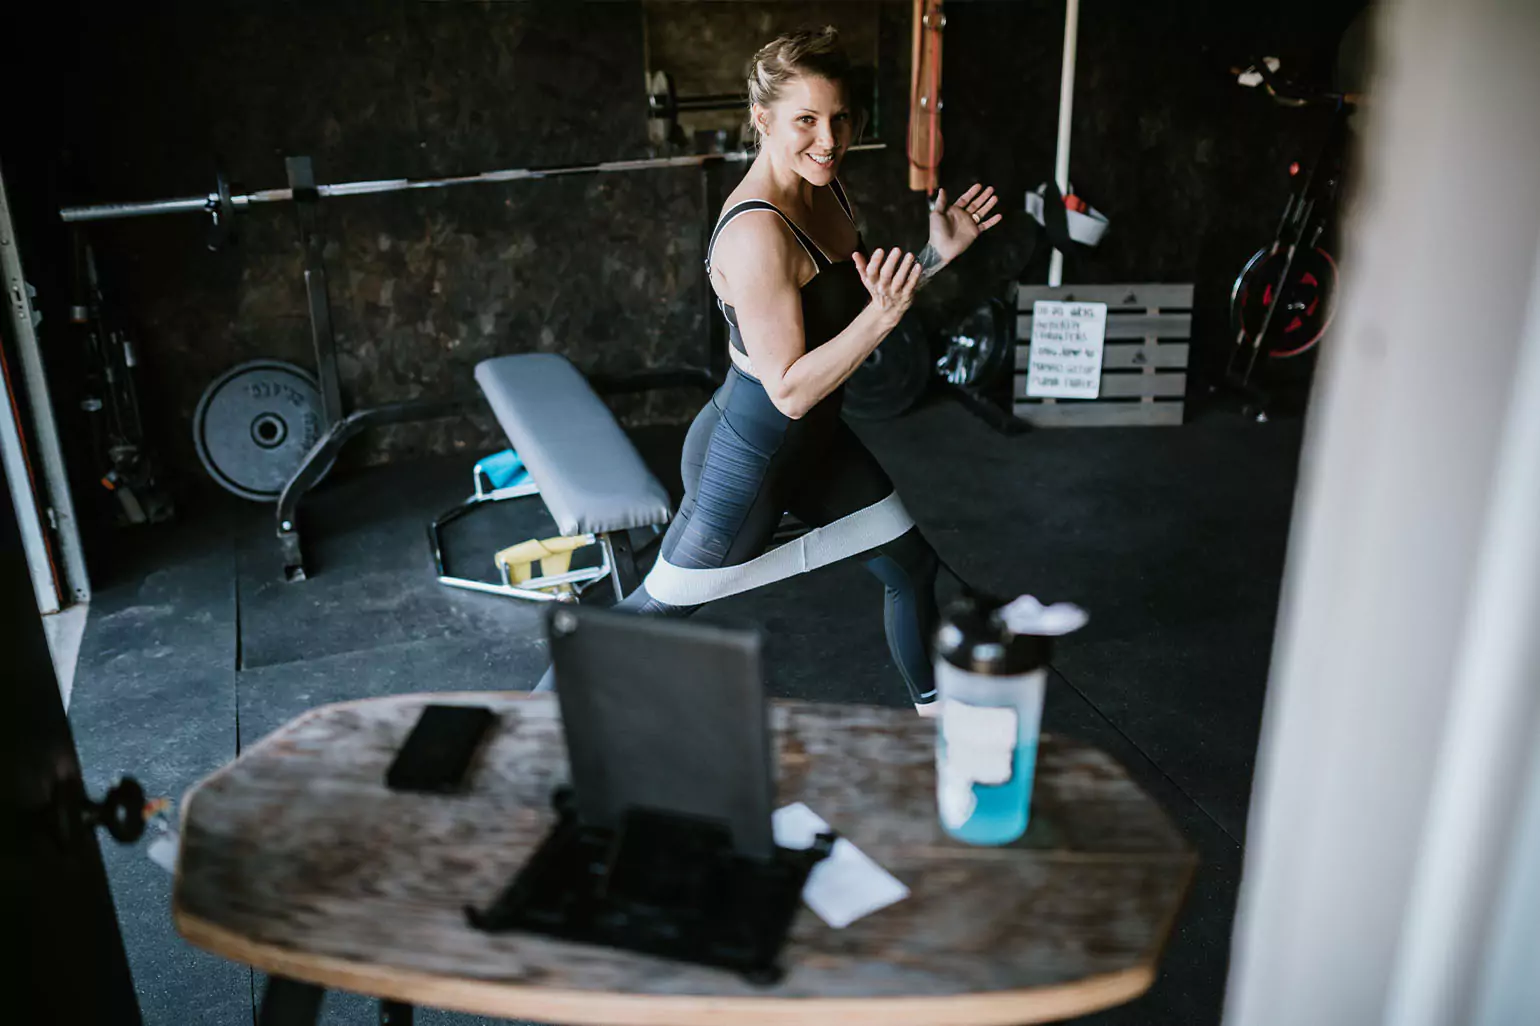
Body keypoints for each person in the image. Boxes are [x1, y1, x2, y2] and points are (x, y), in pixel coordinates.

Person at [535, 26, 1000, 712]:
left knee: (912, 567)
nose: (828, 139)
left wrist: (935, 257)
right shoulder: (757, 232)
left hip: (818, 445)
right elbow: (788, 389)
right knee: (641, 619)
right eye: (806, 121)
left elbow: (860, 309)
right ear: (761, 119)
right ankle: (510, 728)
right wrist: (885, 319)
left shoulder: (829, 191)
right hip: (754, 460)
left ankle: (936, 736)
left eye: (840, 118)